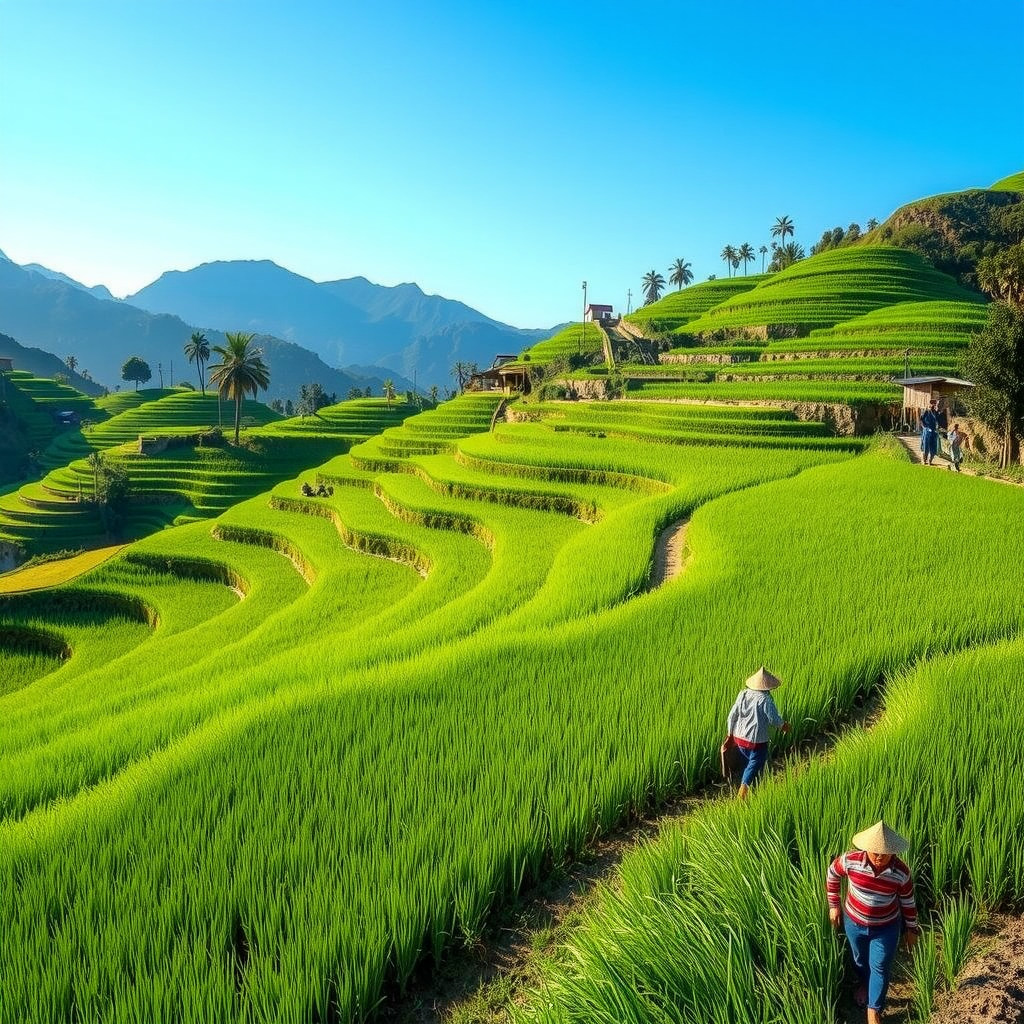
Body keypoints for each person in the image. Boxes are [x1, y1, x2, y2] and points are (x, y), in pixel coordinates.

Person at [827, 821, 920, 1024]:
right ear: (866, 848)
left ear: (893, 851)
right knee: (859, 960)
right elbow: (832, 873)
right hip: (854, 923)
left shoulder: (901, 873)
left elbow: (908, 903)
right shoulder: (850, 860)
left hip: (886, 928)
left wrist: (912, 929)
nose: (879, 856)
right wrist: (833, 904)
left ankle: (873, 1010)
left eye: (884, 852)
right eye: (875, 851)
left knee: (879, 965)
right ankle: (864, 984)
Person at [721, 666, 790, 799]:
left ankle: (750, 790)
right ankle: (743, 793)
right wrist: (784, 726)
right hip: (756, 741)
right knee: (755, 764)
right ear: (768, 687)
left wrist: (730, 734)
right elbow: (773, 719)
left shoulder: (743, 694)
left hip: (738, 738)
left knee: (746, 764)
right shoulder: (765, 699)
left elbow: (732, 715)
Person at [919, 401, 939, 465]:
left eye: (934, 404)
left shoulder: (936, 413)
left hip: (934, 431)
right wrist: (924, 427)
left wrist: (938, 427)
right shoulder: (926, 412)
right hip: (927, 431)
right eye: (932, 404)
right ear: (929, 405)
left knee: (933, 446)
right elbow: (921, 420)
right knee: (925, 445)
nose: (933, 405)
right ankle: (924, 460)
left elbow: (938, 422)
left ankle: (930, 461)